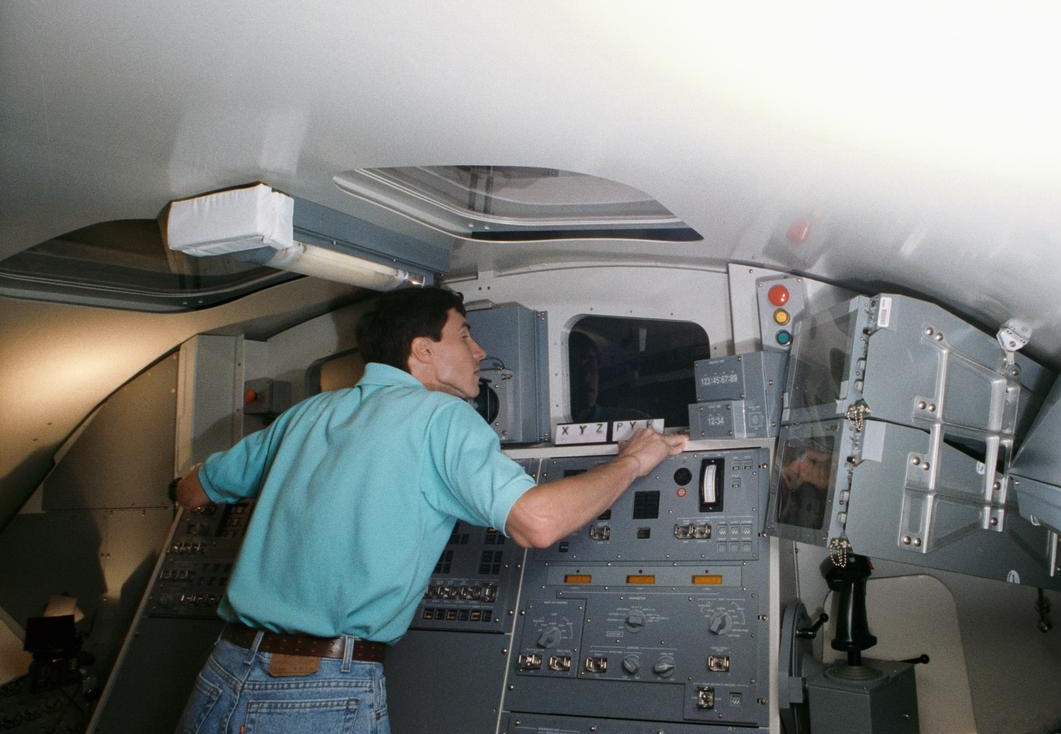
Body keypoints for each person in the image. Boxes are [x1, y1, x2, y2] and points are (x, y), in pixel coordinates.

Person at [173, 287, 687, 733]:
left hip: (226, 670)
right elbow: (539, 521)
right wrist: (635, 463)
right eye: (464, 335)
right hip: (317, 688)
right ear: (422, 350)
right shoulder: (442, 416)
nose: (480, 351)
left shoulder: (306, 414)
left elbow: (193, 491)